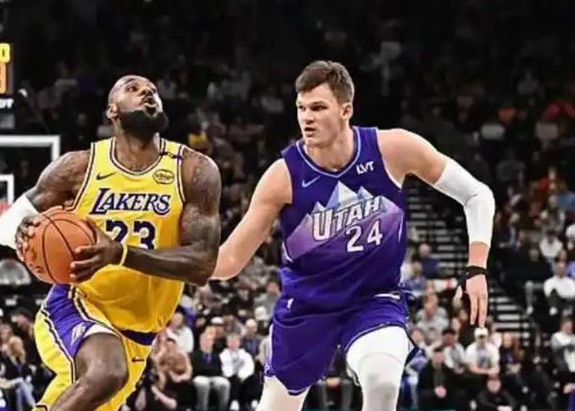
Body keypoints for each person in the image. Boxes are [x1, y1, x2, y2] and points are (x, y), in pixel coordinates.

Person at [211, 60, 495, 411]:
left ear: (346, 110)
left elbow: (478, 195)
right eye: (301, 108)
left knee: (383, 381)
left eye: (318, 108)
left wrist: (476, 268)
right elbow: (229, 261)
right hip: (307, 307)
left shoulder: (392, 149)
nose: (306, 118)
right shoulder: (283, 176)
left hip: (373, 299)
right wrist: (163, 261)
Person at [0, 75, 222, 411]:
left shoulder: (194, 171)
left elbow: (202, 264)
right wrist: (21, 230)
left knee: (88, 388)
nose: (147, 92)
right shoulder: (79, 168)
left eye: (152, 90)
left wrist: (120, 253)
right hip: (76, 306)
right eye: (133, 88)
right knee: (107, 372)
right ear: (112, 110)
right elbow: (6, 224)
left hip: (137, 337)